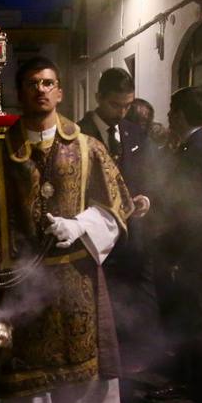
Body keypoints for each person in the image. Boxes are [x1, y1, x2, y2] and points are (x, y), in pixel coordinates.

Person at [0, 56, 133, 403]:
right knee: (28, 379)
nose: (41, 90)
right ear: (20, 93)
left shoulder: (89, 147)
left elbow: (116, 209)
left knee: (81, 376)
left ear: (59, 91)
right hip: (22, 285)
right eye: (32, 83)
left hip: (76, 280)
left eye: (48, 82)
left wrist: (79, 225)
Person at [77, 68, 158, 373]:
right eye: (115, 105)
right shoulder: (79, 133)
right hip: (95, 238)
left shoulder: (135, 133)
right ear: (98, 97)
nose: (121, 112)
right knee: (99, 302)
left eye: (127, 105)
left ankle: (128, 361)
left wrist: (145, 199)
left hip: (132, 238)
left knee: (133, 300)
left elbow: (149, 176)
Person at [153, 87, 202, 403]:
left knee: (200, 325)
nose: (168, 116)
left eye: (171, 110)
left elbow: (194, 211)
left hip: (196, 252)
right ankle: (187, 382)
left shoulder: (198, 150)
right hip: (194, 249)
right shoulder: (194, 145)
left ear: (181, 114)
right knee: (188, 320)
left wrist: (179, 255)